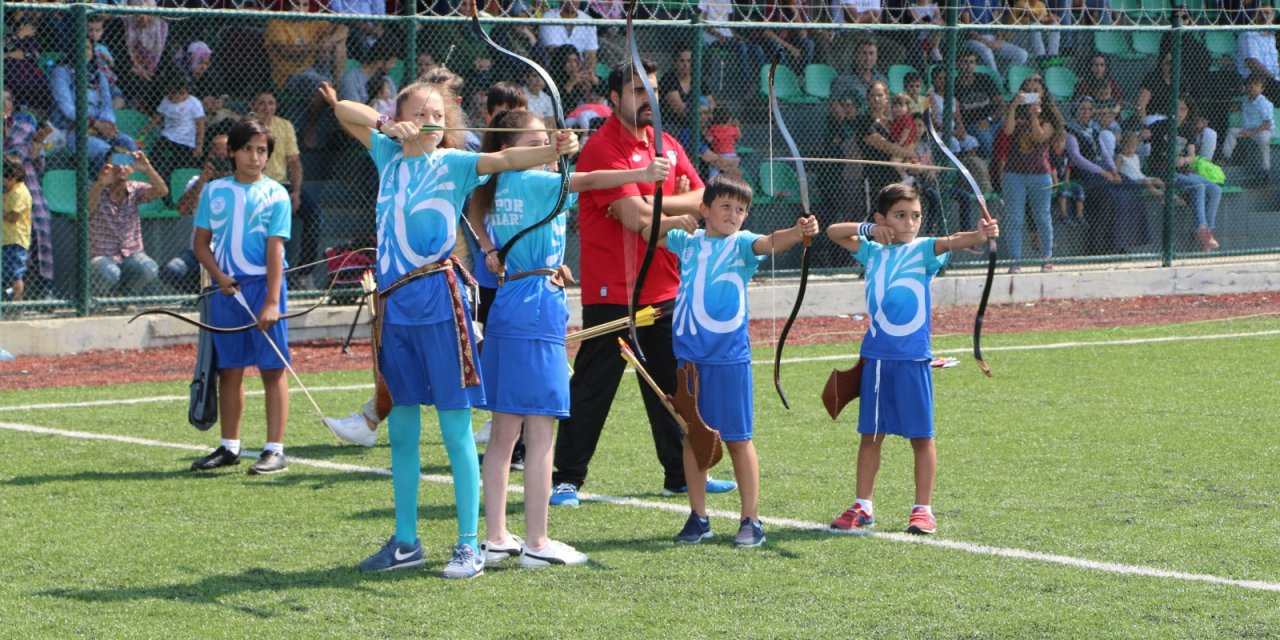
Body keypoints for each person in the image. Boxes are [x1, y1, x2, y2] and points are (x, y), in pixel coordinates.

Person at [319, 79, 578, 579]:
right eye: (422, 110)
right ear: (401, 117)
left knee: (456, 424)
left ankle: (468, 545)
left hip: (441, 301)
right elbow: (343, 110)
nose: (433, 119)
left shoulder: (455, 164)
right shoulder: (387, 155)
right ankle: (406, 541)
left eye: (440, 113)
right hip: (396, 306)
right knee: (403, 428)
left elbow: (503, 162)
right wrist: (384, 125)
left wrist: (556, 149)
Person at [470, 109, 669, 569]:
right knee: (540, 432)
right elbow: (589, 180)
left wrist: (492, 249)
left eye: (548, 139)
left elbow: (479, 212)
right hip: (535, 306)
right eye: (536, 141)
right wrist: (642, 172)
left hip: (513, 300)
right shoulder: (533, 181)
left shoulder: (497, 185)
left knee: (504, 434)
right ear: (512, 149)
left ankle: (498, 536)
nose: (547, 147)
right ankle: (537, 542)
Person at [551, 58, 735, 508]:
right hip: (613, 293)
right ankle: (567, 478)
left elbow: (705, 197)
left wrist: (659, 207)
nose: (648, 99)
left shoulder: (666, 143)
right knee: (593, 388)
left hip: (664, 291)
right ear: (613, 99)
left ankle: (680, 473)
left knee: (674, 388)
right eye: (637, 91)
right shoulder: (602, 148)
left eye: (652, 90)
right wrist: (678, 214)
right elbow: (635, 220)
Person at [640, 175, 817, 548]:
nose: (733, 214)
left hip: (727, 358)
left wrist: (800, 232)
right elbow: (647, 233)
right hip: (688, 358)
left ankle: (751, 519)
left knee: (737, 439)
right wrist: (675, 220)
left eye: (740, 209)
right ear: (704, 210)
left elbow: (769, 242)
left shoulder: (741, 245)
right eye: (725, 206)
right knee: (694, 436)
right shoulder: (689, 243)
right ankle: (698, 516)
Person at [826, 182, 999, 535]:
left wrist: (981, 235)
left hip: (912, 360)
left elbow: (953, 241)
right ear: (882, 218)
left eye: (915, 216)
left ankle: (923, 510)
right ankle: (863, 506)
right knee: (871, 435)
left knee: (921, 437)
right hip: (876, 359)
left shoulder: (923, 250)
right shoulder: (872, 251)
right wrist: (870, 231)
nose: (909, 223)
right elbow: (833, 232)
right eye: (900, 216)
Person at [187, 117, 292, 477]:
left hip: (266, 287)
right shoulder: (214, 191)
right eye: (246, 149)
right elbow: (200, 244)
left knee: (272, 369)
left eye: (261, 150)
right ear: (231, 151)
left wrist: (273, 302)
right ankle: (230, 446)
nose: (254, 156)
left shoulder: (276, 194)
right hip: (225, 291)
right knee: (229, 370)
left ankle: (274, 449)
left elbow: (275, 249)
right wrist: (219, 278)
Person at [87, 149, 167, 295]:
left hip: (132, 253)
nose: (121, 167)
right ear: (106, 165)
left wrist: (147, 168)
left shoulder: (135, 188)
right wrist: (100, 184)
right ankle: (97, 300)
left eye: (126, 163)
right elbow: (86, 210)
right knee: (108, 273)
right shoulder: (93, 187)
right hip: (102, 255)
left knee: (149, 268)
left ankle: (127, 296)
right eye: (116, 162)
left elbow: (162, 191)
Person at [1148, 99, 1224, 251]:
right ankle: (1202, 230)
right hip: (1162, 171)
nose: (1180, 112)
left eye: (1183, 109)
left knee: (1216, 189)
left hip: (1181, 170)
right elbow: (1143, 136)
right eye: (1177, 108)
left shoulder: (1187, 130)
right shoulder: (1159, 126)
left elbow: (1192, 156)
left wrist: (1184, 160)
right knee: (1198, 186)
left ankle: (1206, 232)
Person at [1000, 81, 1056, 272]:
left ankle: (1047, 257)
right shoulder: (1016, 111)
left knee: (1042, 217)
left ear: (1042, 93)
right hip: (1014, 173)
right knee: (1014, 218)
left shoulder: (1049, 116)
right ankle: (1015, 261)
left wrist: (1034, 117)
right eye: (1028, 90)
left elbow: (1040, 137)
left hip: (1040, 173)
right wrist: (1014, 106)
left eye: (1036, 90)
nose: (1032, 93)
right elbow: (1007, 131)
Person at [138, 72, 206, 192]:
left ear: (183, 92)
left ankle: (166, 193)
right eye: (169, 94)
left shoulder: (194, 104)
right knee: (154, 160)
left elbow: (200, 127)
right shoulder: (166, 100)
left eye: (173, 95)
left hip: (185, 143)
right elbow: (156, 118)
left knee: (169, 167)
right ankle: (155, 186)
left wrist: (199, 146)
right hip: (167, 137)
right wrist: (142, 136)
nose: (170, 98)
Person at [1221, 72, 1275, 181]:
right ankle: (1226, 158)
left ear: (1262, 88)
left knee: (1264, 138)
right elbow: (1239, 107)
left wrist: (1251, 133)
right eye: (1250, 84)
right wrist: (1234, 108)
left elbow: (1267, 123)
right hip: (1248, 130)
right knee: (1232, 131)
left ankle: (1266, 170)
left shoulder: (1263, 102)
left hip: (1262, 130)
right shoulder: (1245, 99)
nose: (1252, 86)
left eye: (1256, 84)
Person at [3, 156, 31, 302]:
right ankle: (7, 299)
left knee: (15, 274)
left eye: (4, 178)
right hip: (6, 239)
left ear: (13, 177)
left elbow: (13, 217)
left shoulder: (19, 192)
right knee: (6, 273)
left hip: (15, 240)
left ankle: (17, 303)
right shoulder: (10, 191)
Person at [1115, 131, 1166, 197]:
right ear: (1121, 145)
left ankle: (1170, 194)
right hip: (1131, 181)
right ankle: (1156, 193)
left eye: (1133, 147)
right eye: (1127, 147)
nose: (1130, 149)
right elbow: (1115, 170)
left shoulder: (1136, 156)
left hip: (1140, 177)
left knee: (1157, 180)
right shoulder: (1121, 157)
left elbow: (1138, 170)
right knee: (1146, 181)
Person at [704, 105, 741, 179]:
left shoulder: (713, 128)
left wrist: (705, 132)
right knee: (731, 174)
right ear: (729, 119)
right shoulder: (732, 129)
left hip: (719, 155)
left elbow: (709, 139)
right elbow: (738, 136)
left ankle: (712, 183)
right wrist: (737, 126)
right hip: (732, 155)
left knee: (713, 170)